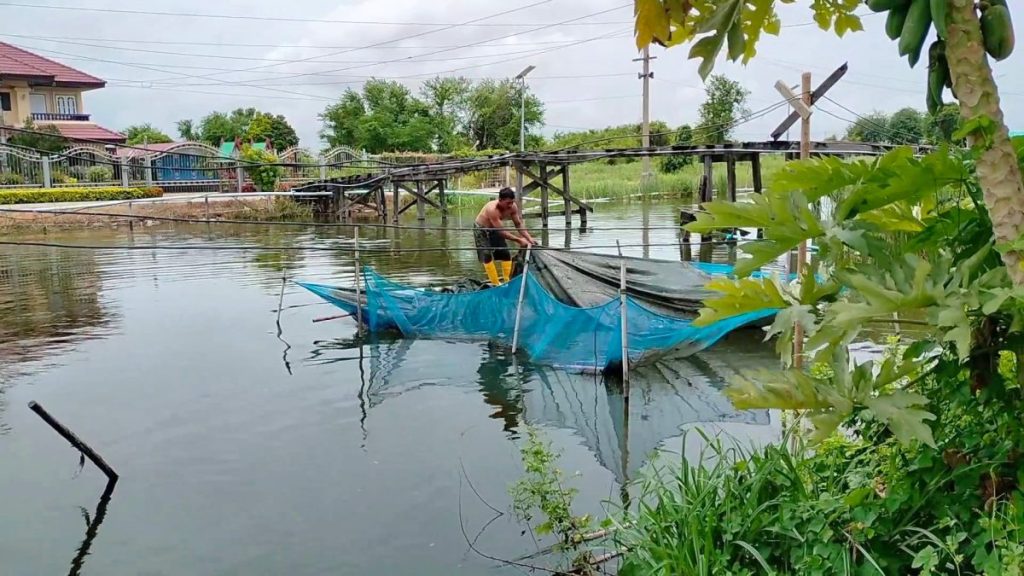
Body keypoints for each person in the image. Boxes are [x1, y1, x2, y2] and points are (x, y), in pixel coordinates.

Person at [473, 187, 535, 285]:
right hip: (481, 229)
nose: (510, 205)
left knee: (505, 254)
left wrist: (529, 238)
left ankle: (508, 282)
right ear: (500, 200)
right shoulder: (492, 209)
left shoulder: (513, 207)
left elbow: (518, 224)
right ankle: (495, 284)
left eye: (512, 202)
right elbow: (502, 232)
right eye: (507, 203)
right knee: (487, 256)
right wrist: (519, 240)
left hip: (494, 228)